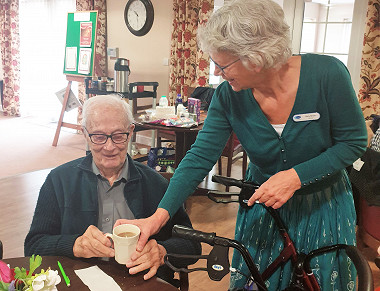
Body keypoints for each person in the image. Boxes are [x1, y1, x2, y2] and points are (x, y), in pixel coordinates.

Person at [115, 0, 368, 290]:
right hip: (263, 207)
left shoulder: (327, 75)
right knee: (260, 281)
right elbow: (199, 156)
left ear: (256, 57)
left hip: (322, 205)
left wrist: (295, 177)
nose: (217, 72)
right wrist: (157, 218)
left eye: (222, 64)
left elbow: (354, 142)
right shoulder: (228, 95)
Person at [24, 94, 201, 286]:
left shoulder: (156, 184)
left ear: (131, 131)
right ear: (85, 134)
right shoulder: (59, 181)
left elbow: (192, 246)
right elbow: (34, 246)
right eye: (99, 137)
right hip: (77, 283)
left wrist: (161, 251)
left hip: (142, 284)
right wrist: (74, 245)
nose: (109, 147)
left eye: (118, 136)